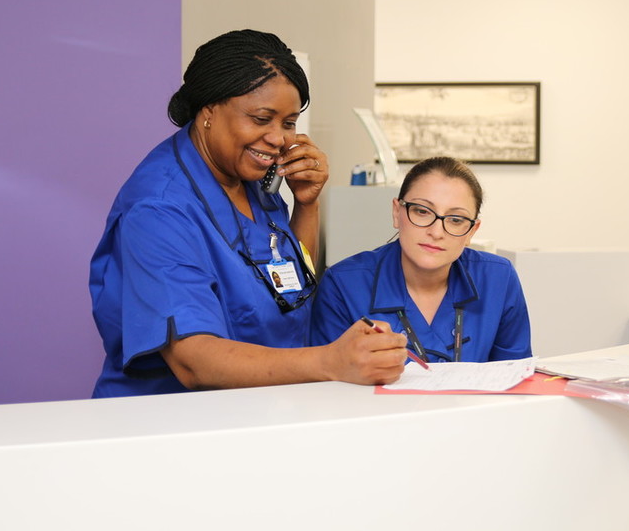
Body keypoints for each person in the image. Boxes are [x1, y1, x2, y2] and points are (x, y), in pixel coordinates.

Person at [90, 29, 407, 397]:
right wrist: (329, 362)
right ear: (209, 111)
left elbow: (290, 285)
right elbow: (194, 360)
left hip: (264, 403)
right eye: (261, 119)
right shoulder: (159, 209)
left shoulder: (251, 178)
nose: (278, 139)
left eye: (288, 123)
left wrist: (307, 204)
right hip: (172, 419)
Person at [310, 157, 532, 364]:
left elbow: (515, 376)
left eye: (456, 220)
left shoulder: (498, 278)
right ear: (397, 213)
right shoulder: (343, 285)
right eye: (422, 211)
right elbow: (326, 380)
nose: (436, 232)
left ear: (471, 232)